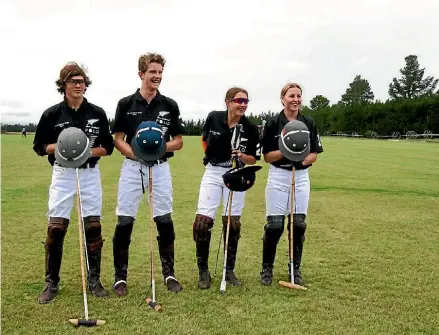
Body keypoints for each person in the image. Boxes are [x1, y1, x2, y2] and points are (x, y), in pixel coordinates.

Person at [33, 62, 115, 304]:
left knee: (93, 226)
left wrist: (86, 152)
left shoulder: (97, 113)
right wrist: (62, 148)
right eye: (73, 81)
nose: (78, 85)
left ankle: (94, 280)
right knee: (56, 227)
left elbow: (107, 148)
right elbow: (39, 146)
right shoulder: (52, 114)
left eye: (81, 81)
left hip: (89, 173)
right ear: (64, 85)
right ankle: (52, 282)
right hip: (62, 173)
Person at [111, 53, 184, 296]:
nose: (157, 76)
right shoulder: (126, 104)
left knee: (164, 219)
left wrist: (158, 150)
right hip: (132, 167)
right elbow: (118, 140)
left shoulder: (169, 105)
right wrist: (136, 154)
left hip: (161, 167)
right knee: (125, 220)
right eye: (153, 72)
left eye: (160, 72)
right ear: (141, 74)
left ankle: (169, 273)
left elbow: (179, 141)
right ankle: (120, 278)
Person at [192, 87, 260, 289]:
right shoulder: (214, 118)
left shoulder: (250, 128)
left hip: (237, 173)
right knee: (202, 222)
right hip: (214, 171)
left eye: (246, 101)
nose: (243, 104)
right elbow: (204, 140)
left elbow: (253, 158)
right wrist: (211, 157)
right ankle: (203, 272)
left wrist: (240, 155)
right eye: (239, 100)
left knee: (233, 222)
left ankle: (228, 270)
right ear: (228, 101)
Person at [259, 82, 323, 286]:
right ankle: (267, 268)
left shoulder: (309, 122)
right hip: (279, 175)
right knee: (275, 226)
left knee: (298, 224)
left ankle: (294, 268)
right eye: (291, 96)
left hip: (301, 176)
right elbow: (268, 156)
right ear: (283, 99)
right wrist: (288, 151)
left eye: (298, 96)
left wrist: (300, 159)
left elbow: (313, 154)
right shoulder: (272, 123)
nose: (295, 99)